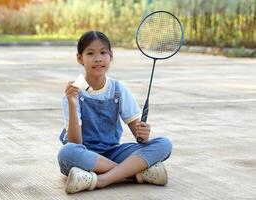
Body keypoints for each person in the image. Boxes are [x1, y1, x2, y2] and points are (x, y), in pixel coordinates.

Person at [57, 30, 172, 194]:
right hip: (85, 155)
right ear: (79, 58)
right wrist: (72, 102)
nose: (98, 58)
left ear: (111, 56)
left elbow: (139, 138)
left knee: (164, 144)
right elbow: (75, 143)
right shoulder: (73, 92)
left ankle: (101, 180)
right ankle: (133, 173)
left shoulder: (118, 89)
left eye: (103, 52)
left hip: (113, 153)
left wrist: (143, 134)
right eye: (90, 53)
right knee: (66, 153)